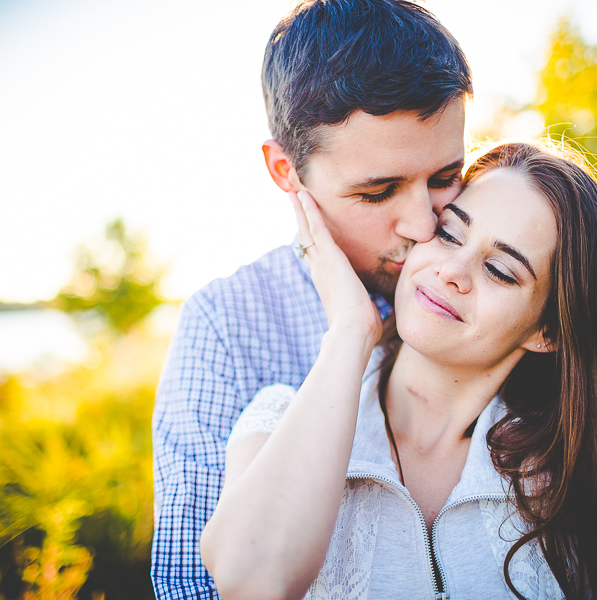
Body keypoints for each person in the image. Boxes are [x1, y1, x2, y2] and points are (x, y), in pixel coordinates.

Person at [200, 141, 597, 600]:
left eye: (500, 270)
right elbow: (253, 584)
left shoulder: (583, 471)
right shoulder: (277, 420)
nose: (453, 272)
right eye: (450, 234)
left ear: (546, 331)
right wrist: (349, 330)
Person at [151, 1, 472, 597]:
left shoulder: (506, 290)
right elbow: (192, 586)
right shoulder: (226, 325)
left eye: (445, 176)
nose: (425, 226)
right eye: (378, 193)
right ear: (285, 171)